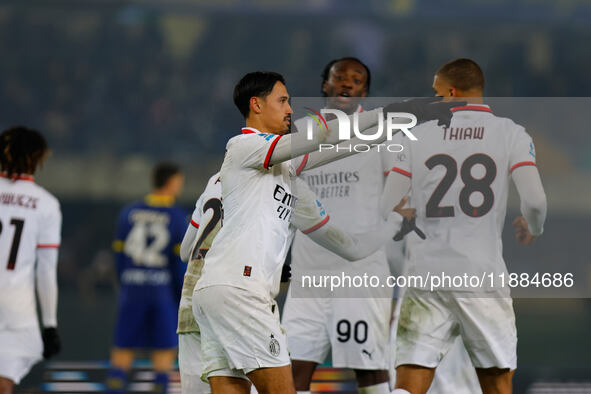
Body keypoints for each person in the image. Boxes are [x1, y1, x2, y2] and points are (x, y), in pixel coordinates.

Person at [190, 71, 458, 394]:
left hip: (216, 294)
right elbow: (323, 137)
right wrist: (406, 108)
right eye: (283, 100)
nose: (290, 109)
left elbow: (342, 156)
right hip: (241, 293)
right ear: (256, 105)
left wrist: (406, 123)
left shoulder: (289, 179)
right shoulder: (243, 146)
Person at [385, 58, 547, 394]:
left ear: (452, 92)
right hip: (480, 275)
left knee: (410, 379)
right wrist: (533, 226)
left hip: (424, 273)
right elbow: (535, 201)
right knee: (497, 381)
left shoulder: (415, 136)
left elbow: (388, 203)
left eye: (436, 93)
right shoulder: (510, 133)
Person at [178, 169, 413, 393]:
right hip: (243, 296)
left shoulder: (218, 179)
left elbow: (187, 250)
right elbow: (351, 248)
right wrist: (394, 221)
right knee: (280, 386)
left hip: (196, 299)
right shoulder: (288, 185)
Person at [284, 57, 396, 394]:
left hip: (361, 275)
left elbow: (401, 196)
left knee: (370, 371)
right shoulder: (299, 132)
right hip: (308, 275)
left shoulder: (383, 132)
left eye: (357, 79)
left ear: (365, 91)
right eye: (340, 77)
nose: (348, 83)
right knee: (291, 371)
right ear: (325, 85)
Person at [107, 162, 188, 394]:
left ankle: (115, 386)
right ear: (173, 182)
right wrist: (179, 295)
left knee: (123, 348)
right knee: (163, 353)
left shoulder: (129, 212)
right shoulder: (176, 216)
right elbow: (178, 264)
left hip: (132, 289)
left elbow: (119, 256)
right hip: (161, 291)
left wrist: (126, 282)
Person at [0, 126, 62, 394]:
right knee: (4, 380)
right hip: (16, 306)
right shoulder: (45, 204)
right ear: (37, 159)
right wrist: (49, 324)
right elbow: (46, 272)